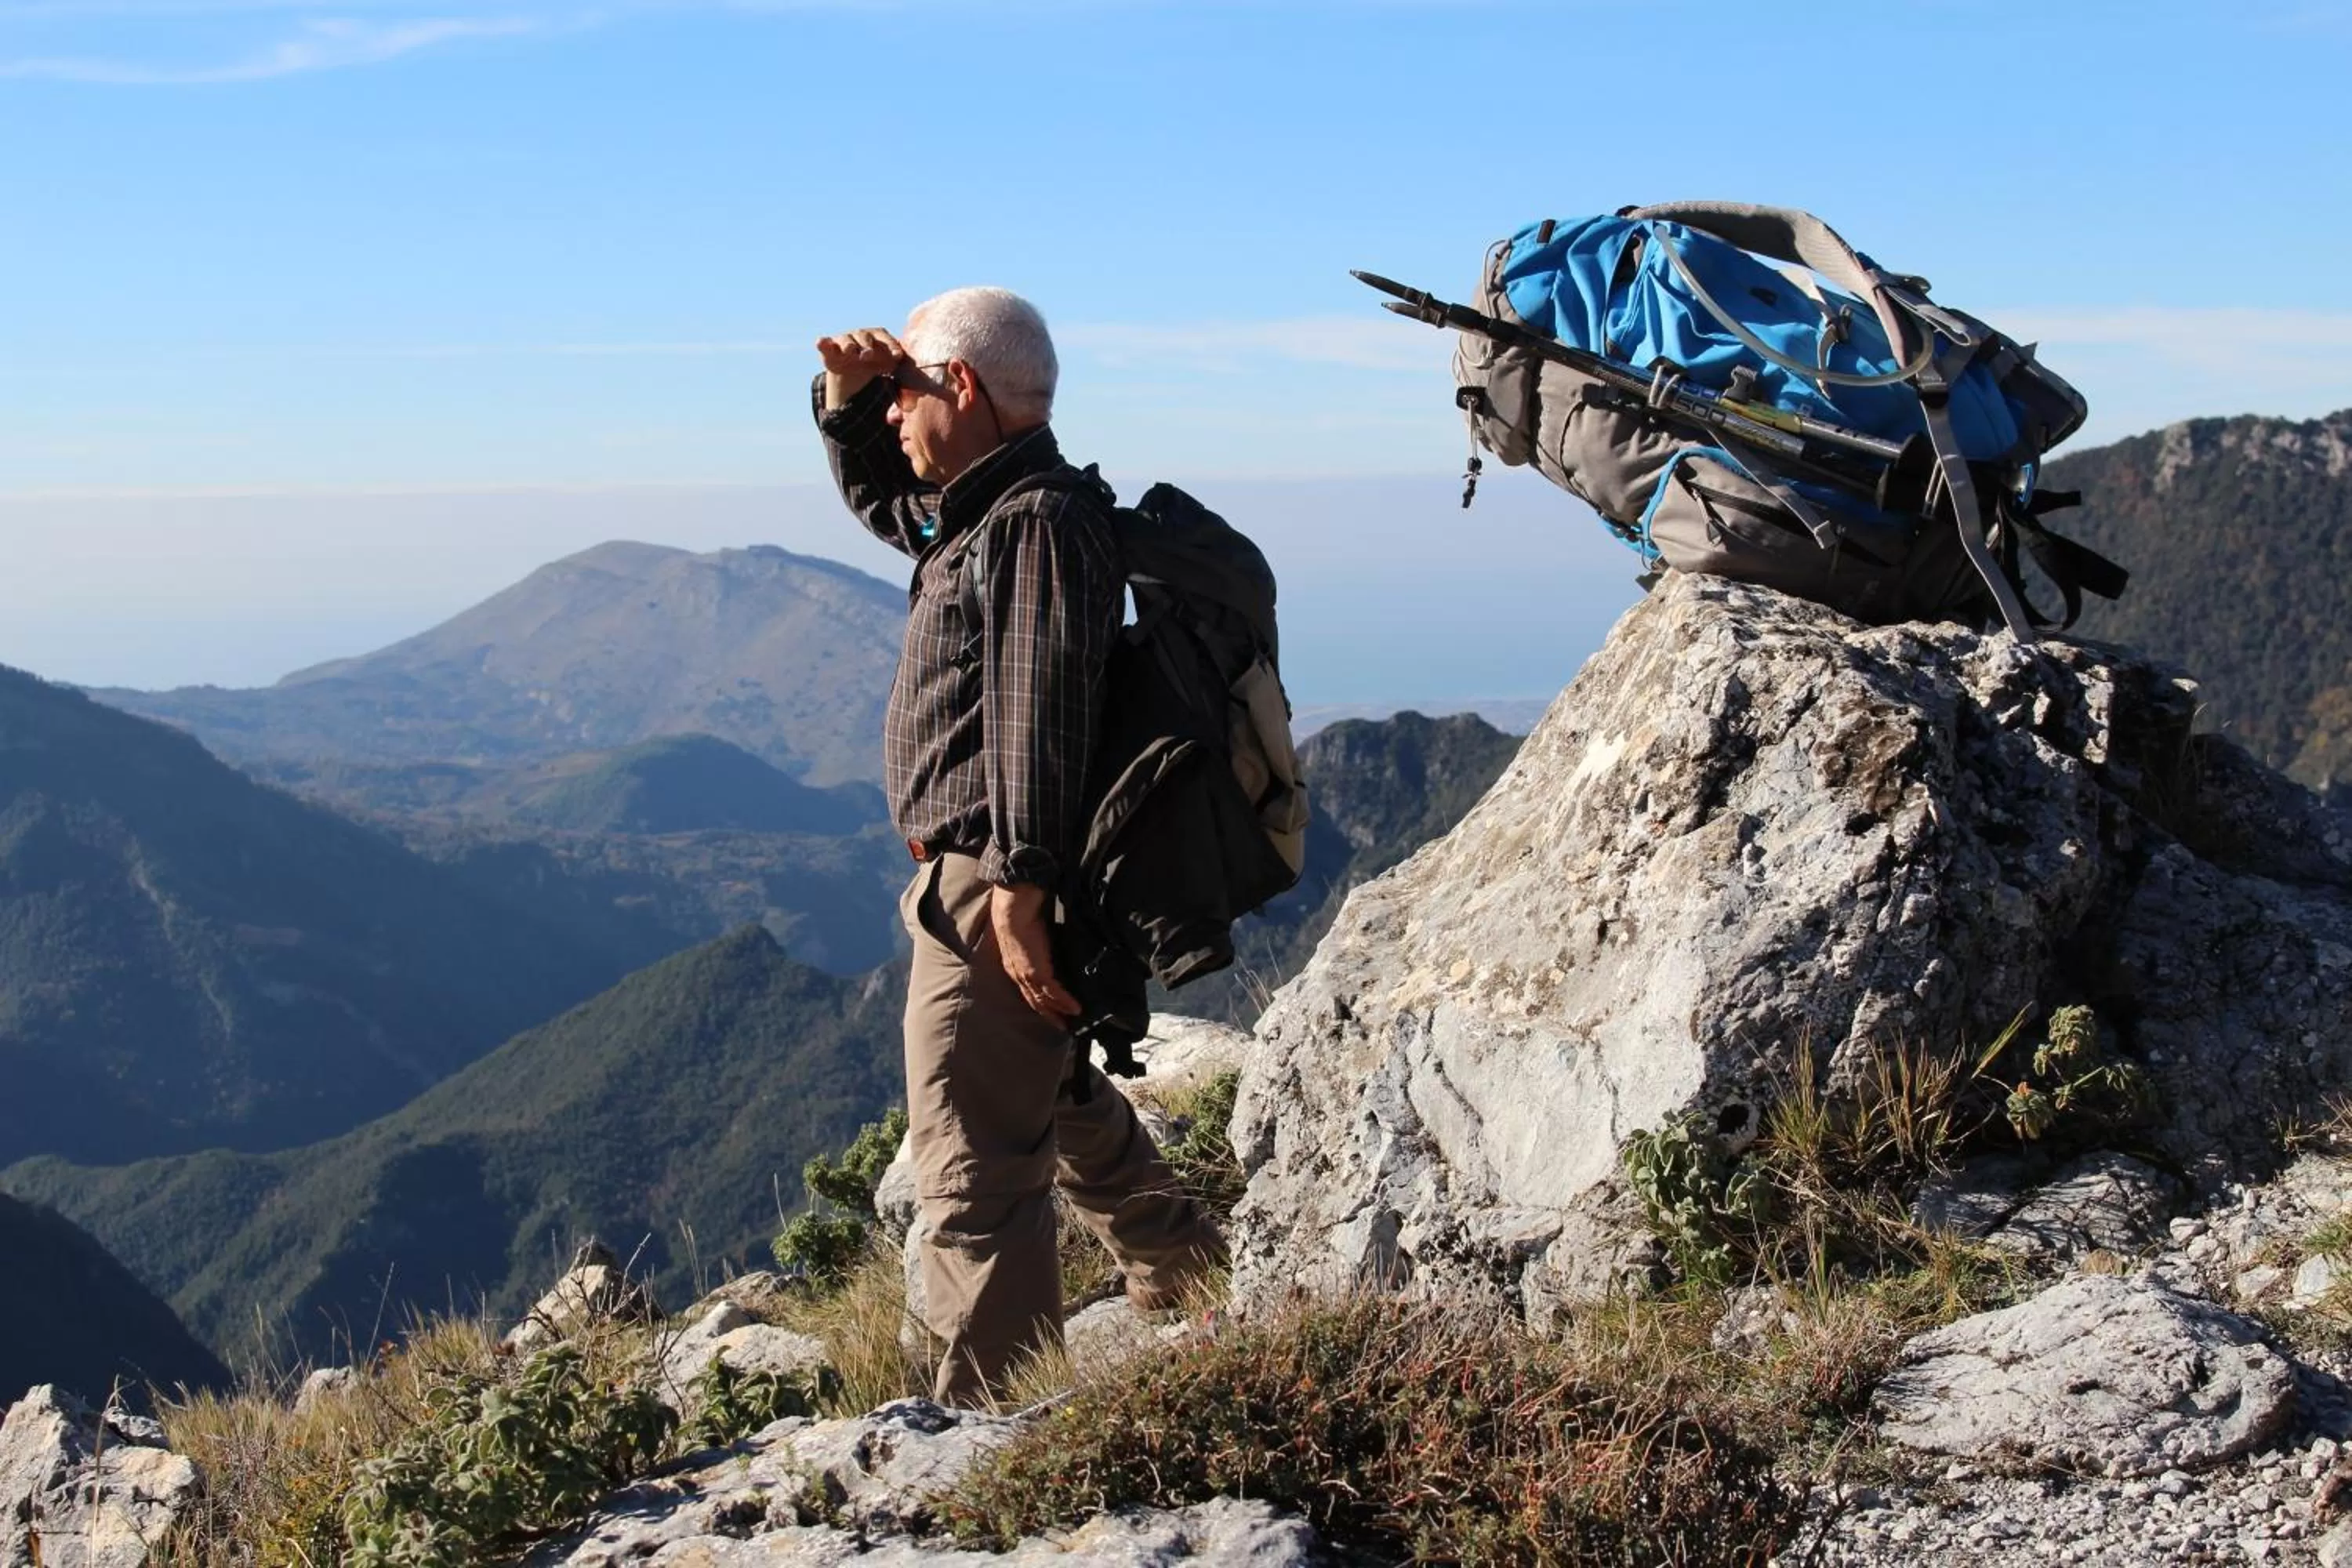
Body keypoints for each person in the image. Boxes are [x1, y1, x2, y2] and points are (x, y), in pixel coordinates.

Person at [812, 286, 1223, 1408]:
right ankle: (1194, 1271)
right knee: (1048, 1091)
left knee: (974, 1172)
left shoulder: (1034, 523)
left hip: (993, 881)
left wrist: (1018, 888)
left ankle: (997, 1426)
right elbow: (889, 506)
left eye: (903, 395)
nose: (893, 419)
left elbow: (1040, 711)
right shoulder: (988, 510)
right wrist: (846, 405)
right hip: (989, 877)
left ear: (963, 387)